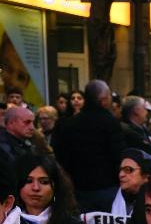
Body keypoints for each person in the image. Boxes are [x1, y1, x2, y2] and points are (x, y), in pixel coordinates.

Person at [53, 80, 126, 212]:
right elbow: (118, 155)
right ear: (103, 100)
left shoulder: (71, 124)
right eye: (109, 96)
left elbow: (61, 155)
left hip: (79, 188)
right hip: (107, 188)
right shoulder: (110, 123)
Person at [113, 148, 151, 217]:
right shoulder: (106, 201)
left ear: (146, 176)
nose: (121, 174)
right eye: (120, 170)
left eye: (128, 169)